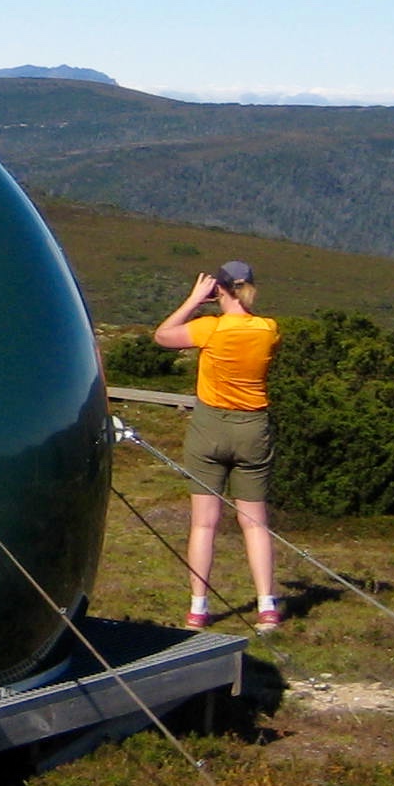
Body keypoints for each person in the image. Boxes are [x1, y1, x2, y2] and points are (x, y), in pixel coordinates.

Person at [155, 260, 282, 631]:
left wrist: (194, 300)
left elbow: (163, 335)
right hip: (253, 428)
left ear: (218, 290)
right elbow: (252, 323)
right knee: (255, 524)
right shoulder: (269, 330)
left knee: (204, 524)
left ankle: (198, 608)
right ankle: (267, 606)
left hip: (209, 426)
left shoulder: (209, 329)